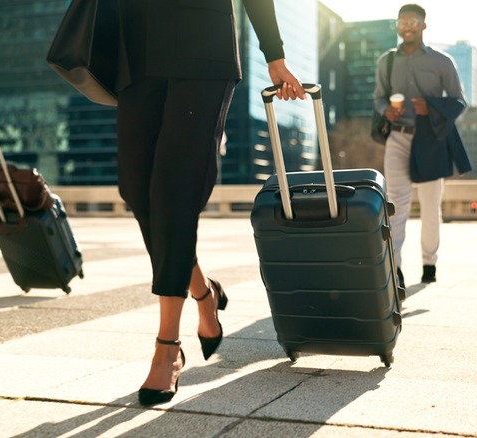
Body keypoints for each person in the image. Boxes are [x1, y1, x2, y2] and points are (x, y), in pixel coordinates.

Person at [113, 0, 304, 406]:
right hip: (135, 51)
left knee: (174, 194)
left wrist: (274, 55)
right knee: (137, 191)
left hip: (202, 52)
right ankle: (204, 292)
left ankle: (168, 346)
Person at [373, 4, 470, 288]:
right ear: (397, 26)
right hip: (397, 137)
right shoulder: (386, 62)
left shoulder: (443, 62)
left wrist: (430, 106)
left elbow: (459, 101)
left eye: (412, 22)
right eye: (402, 22)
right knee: (396, 205)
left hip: (430, 140)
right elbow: (379, 98)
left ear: (423, 26)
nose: (407, 27)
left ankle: (430, 262)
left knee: (430, 206)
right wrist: (385, 111)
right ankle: (397, 268)